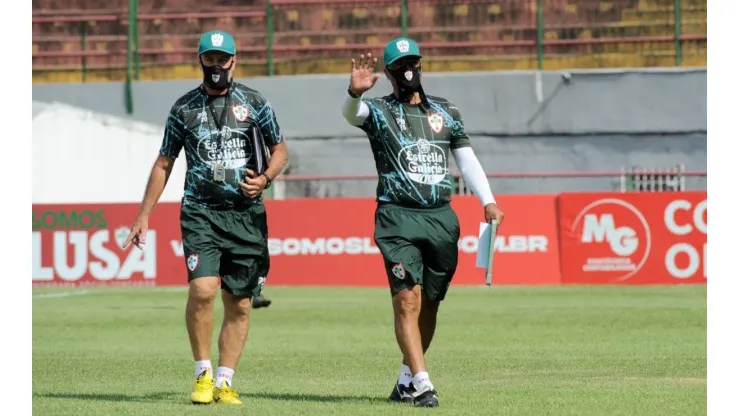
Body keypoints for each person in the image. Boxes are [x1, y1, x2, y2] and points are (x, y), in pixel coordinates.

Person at [122, 30, 289, 405]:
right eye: (209, 59)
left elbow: (280, 151)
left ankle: (225, 381)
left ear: (234, 59)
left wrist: (264, 179)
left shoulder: (255, 102)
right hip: (200, 212)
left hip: (246, 215)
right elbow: (164, 162)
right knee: (202, 289)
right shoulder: (183, 108)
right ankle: (202, 374)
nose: (216, 65)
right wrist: (143, 216)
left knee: (240, 302)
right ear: (200, 60)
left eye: (222, 58)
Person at [340, 37, 505, 408]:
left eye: (413, 62)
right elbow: (353, 115)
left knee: (430, 302)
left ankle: (405, 380)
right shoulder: (379, 110)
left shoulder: (446, 112)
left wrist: (489, 201)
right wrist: (353, 92)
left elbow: (466, 160)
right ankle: (424, 384)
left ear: (421, 64)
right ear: (388, 73)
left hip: (441, 219)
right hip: (397, 217)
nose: (408, 70)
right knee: (406, 301)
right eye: (399, 66)